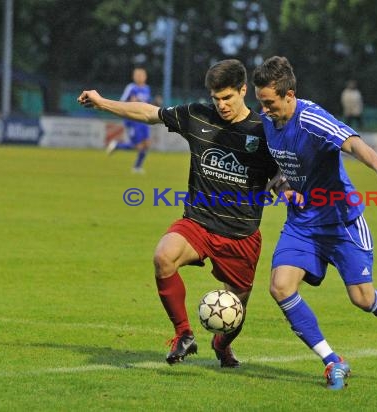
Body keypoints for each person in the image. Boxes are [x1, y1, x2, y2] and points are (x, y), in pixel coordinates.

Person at [78, 59, 281, 368]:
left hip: (241, 234)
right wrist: (101, 102)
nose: (222, 105)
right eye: (216, 98)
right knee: (163, 257)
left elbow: (286, 171)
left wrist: (282, 184)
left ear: (243, 91)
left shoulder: (264, 131)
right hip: (197, 222)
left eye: (228, 97)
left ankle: (222, 345)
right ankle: (183, 334)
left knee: (234, 314)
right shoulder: (197, 116)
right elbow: (149, 114)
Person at [252, 56, 377, 390]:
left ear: (289, 96)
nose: (264, 111)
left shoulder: (311, 118)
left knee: (363, 299)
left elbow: (351, 142)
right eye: (260, 103)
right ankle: (332, 361)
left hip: (341, 222)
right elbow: (282, 167)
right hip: (303, 224)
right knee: (280, 287)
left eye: (269, 103)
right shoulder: (268, 122)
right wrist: (283, 190)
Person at [106, 67, 152, 173]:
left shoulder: (147, 89)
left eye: (142, 75)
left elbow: (147, 104)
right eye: (138, 75)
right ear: (134, 77)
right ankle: (118, 145)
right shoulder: (131, 88)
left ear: (145, 77)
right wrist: (131, 102)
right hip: (133, 119)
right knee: (138, 145)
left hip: (144, 119)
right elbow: (122, 102)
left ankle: (137, 167)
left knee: (147, 144)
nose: (140, 77)